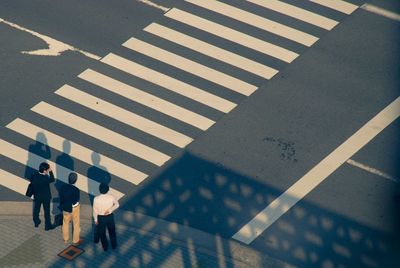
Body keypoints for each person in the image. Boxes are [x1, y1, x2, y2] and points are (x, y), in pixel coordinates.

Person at [93, 183, 119, 251]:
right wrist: (110, 210)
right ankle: (114, 245)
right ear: (107, 190)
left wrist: (96, 220)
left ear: (99, 190)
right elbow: (117, 205)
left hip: (101, 218)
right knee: (112, 232)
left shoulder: (96, 199)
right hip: (110, 216)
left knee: (102, 233)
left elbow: (95, 210)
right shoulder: (111, 197)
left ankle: (105, 247)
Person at [30, 162, 55, 230]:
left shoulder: (34, 175)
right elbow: (53, 179)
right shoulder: (46, 178)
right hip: (46, 197)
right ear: (44, 171)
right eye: (47, 170)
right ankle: (47, 226)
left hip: (37, 196)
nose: (48, 171)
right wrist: (51, 171)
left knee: (36, 210)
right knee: (47, 212)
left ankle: (36, 222)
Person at [60, 172, 82, 245]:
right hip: (74, 208)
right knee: (76, 223)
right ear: (76, 180)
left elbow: (61, 197)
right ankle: (75, 240)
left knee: (65, 223)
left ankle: (65, 239)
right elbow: (76, 200)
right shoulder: (76, 190)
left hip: (65, 207)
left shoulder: (63, 187)